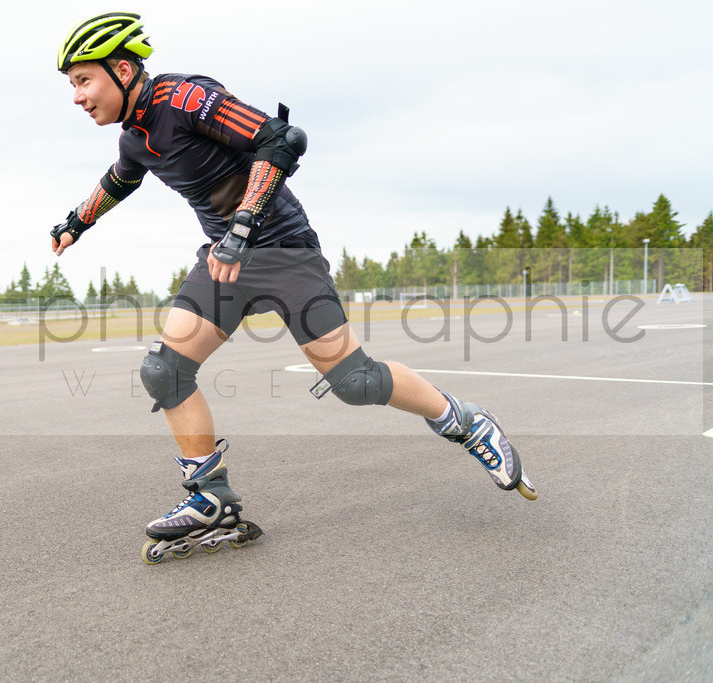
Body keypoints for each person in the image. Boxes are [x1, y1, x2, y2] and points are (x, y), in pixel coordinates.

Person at [50, 12, 536, 563]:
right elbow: (121, 178)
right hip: (224, 262)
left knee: (354, 381)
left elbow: (280, 140)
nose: (77, 96)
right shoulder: (136, 136)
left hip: (284, 252)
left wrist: (244, 223)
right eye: (71, 85)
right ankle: (211, 497)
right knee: (165, 370)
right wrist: (76, 221)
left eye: (83, 80)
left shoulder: (186, 97)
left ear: (121, 69)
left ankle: (465, 423)